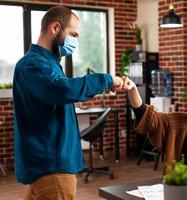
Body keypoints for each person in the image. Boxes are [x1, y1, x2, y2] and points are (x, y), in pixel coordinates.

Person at [13, 6, 123, 200]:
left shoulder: (48, 64)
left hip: (48, 168)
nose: (75, 41)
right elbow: (63, 89)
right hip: (52, 169)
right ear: (55, 28)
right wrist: (107, 80)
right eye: (73, 34)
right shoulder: (34, 64)